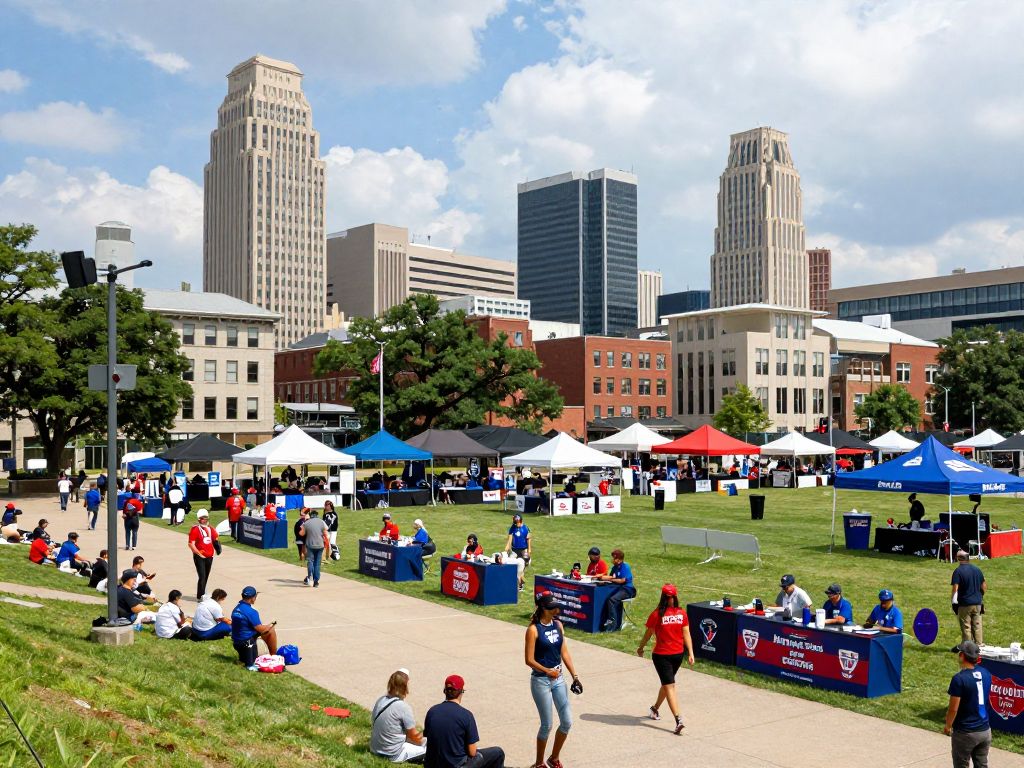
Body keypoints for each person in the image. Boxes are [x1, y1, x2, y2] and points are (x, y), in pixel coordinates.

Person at [525, 592, 579, 768]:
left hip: (559, 680)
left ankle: (554, 758)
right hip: (541, 681)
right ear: (543, 609)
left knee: (567, 722)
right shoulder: (533, 629)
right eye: (552, 607)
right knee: (547, 725)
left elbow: (564, 652)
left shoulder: (558, 625)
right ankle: (539, 763)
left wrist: (575, 676)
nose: (556, 609)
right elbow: (529, 660)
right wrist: (547, 671)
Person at [636, 584, 694, 735]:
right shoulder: (680, 613)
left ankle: (658, 710)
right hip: (671, 655)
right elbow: (686, 634)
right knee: (669, 685)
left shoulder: (658, 614)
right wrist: (691, 653)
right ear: (675, 596)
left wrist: (641, 647)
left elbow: (648, 634)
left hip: (669, 655)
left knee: (668, 684)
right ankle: (678, 720)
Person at [423, 674, 505, 768]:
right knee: (498, 752)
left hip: (433, 764)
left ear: (445, 691)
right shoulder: (466, 715)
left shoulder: (432, 711)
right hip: (456, 765)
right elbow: (472, 752)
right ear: (461, 692)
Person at [945, 640, 992, 768]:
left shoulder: (959, 679)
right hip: (985, 730)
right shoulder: (986, 674)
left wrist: (948, 726)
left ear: (962, 656)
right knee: (982, 765)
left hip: (965, 733)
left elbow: (953, 709)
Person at [370, 669, 428, 764]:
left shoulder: (380, 701)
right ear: (405, 687)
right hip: (393, 754)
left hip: (375, 749)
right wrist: (425, 741)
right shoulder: (403, 707)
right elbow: (414, 736)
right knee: (432, 749)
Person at [231, 585, 278, 666]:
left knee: (245, 660)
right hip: (246, 642)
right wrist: (271, 625)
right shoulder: (251, 612)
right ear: (253, 598)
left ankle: (243, 658)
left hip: (237, 641)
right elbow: (261, 629)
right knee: (270, 630)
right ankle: (273, 656)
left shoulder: (236, 608)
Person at [951, 550, 986, 648]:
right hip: (977, 603)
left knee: (966, 626)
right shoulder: (977, 570)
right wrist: (980, 596)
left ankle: (968, 647)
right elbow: (984, 585)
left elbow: (955, 588)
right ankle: (979, 645)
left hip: (965, 603)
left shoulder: (958, 571)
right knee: (977, 624)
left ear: (959, 559)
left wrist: (953, 601)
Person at [597, 548, 636, 632]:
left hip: (628, 590)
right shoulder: (615, 567)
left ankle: (612, 623)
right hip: (618, 588)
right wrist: (600, 577)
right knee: (606, 597)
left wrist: (610, 579)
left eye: (614, 558)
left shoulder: (625, 567)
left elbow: (622, 580)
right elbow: (612, 577)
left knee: (612, 600)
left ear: (619, 559)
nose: (612, 560)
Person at [188, 510, 219, 601]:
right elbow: (191, 544)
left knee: (206, 576)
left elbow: (215, 539)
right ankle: (200, 596)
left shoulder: (210, 529)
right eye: (202, 519)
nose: (204, 520)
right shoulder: (195, 529)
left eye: (206, 518)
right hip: (199, 556)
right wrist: (198, 553)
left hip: (210, 556)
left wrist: (217, 548)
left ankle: (202, 593)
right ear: (199, 520)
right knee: (202, 576)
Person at [301, 509, 329, 588]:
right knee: (317, 563)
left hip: (310, 545)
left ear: (310, 515)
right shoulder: (321, 522)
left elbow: (301, 533)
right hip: (320, 545)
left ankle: (310, 576)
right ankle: (316, 581)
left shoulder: (307, 523)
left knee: (310, 561)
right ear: (317, 515)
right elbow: (325, 532)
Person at [503, 514, 532, 590]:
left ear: (521, 521)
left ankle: (520, 584)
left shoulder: (526, 528)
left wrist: (529, 549)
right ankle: (513, 582)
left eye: (518, 523)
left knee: (522, 567)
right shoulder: (512, 528)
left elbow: (528, 539)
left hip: (523, 550)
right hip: (514, 550)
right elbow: (509, 539)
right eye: (515, 523)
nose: (517, 524)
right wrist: (506, 549)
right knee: (509, 564)